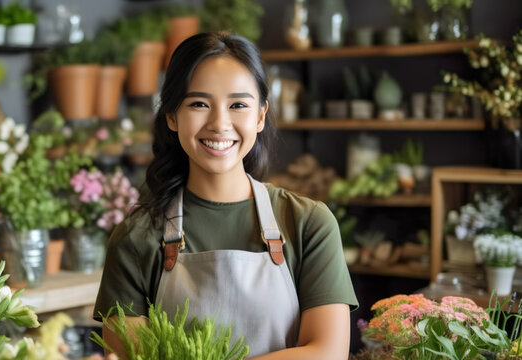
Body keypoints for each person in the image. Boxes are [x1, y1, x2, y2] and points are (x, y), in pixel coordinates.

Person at [93, 32, 358, 359]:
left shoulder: (308, 224)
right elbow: (129, 356)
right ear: (172, 116)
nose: (219, 124)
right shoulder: (136, 238)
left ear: (260, 116)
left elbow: (327, 352)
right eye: (199, 104)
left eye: (238, 105)